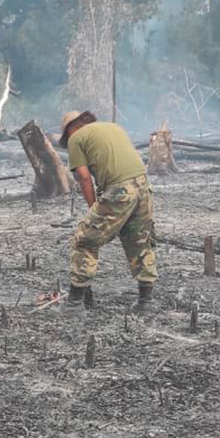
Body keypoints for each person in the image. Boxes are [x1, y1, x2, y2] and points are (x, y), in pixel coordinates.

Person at [58, 110, 158, 314]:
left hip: (120, 190)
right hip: (143, 186)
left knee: (84, 240)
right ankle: (146, 302)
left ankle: (75, 304)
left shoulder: (76, 138)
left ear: (70, 129)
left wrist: (93, 207)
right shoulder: (114, 128)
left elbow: (84, 178)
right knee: (139, 239)